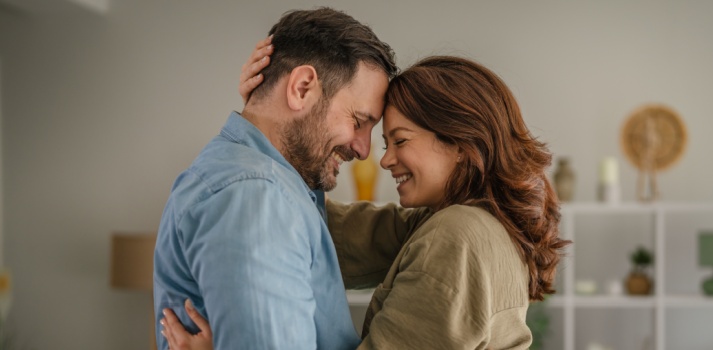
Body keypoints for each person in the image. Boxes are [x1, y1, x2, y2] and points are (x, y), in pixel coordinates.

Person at [161, 48, 571, 349]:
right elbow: (330, 232)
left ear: (462, 143)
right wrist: (271, 118)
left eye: (400, 140)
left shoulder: (459, 237)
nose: (381, 157)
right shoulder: (471, 225)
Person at [152, 8, 399, 350]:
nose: (362, 149)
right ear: (301, 88)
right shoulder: (254, 197)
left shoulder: (271, 180)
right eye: (358, 120)